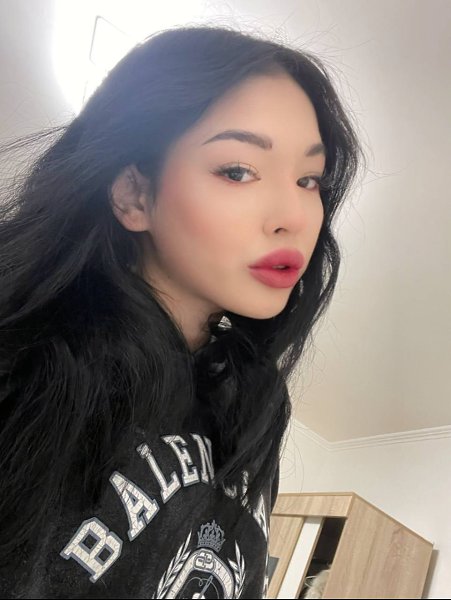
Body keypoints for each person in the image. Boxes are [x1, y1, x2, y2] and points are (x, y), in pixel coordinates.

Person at [0, 24, 366, 598]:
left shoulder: (252, 402)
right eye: (238, 171)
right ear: (134, 195)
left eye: (308, 179)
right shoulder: (25, 363)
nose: (295, 217)